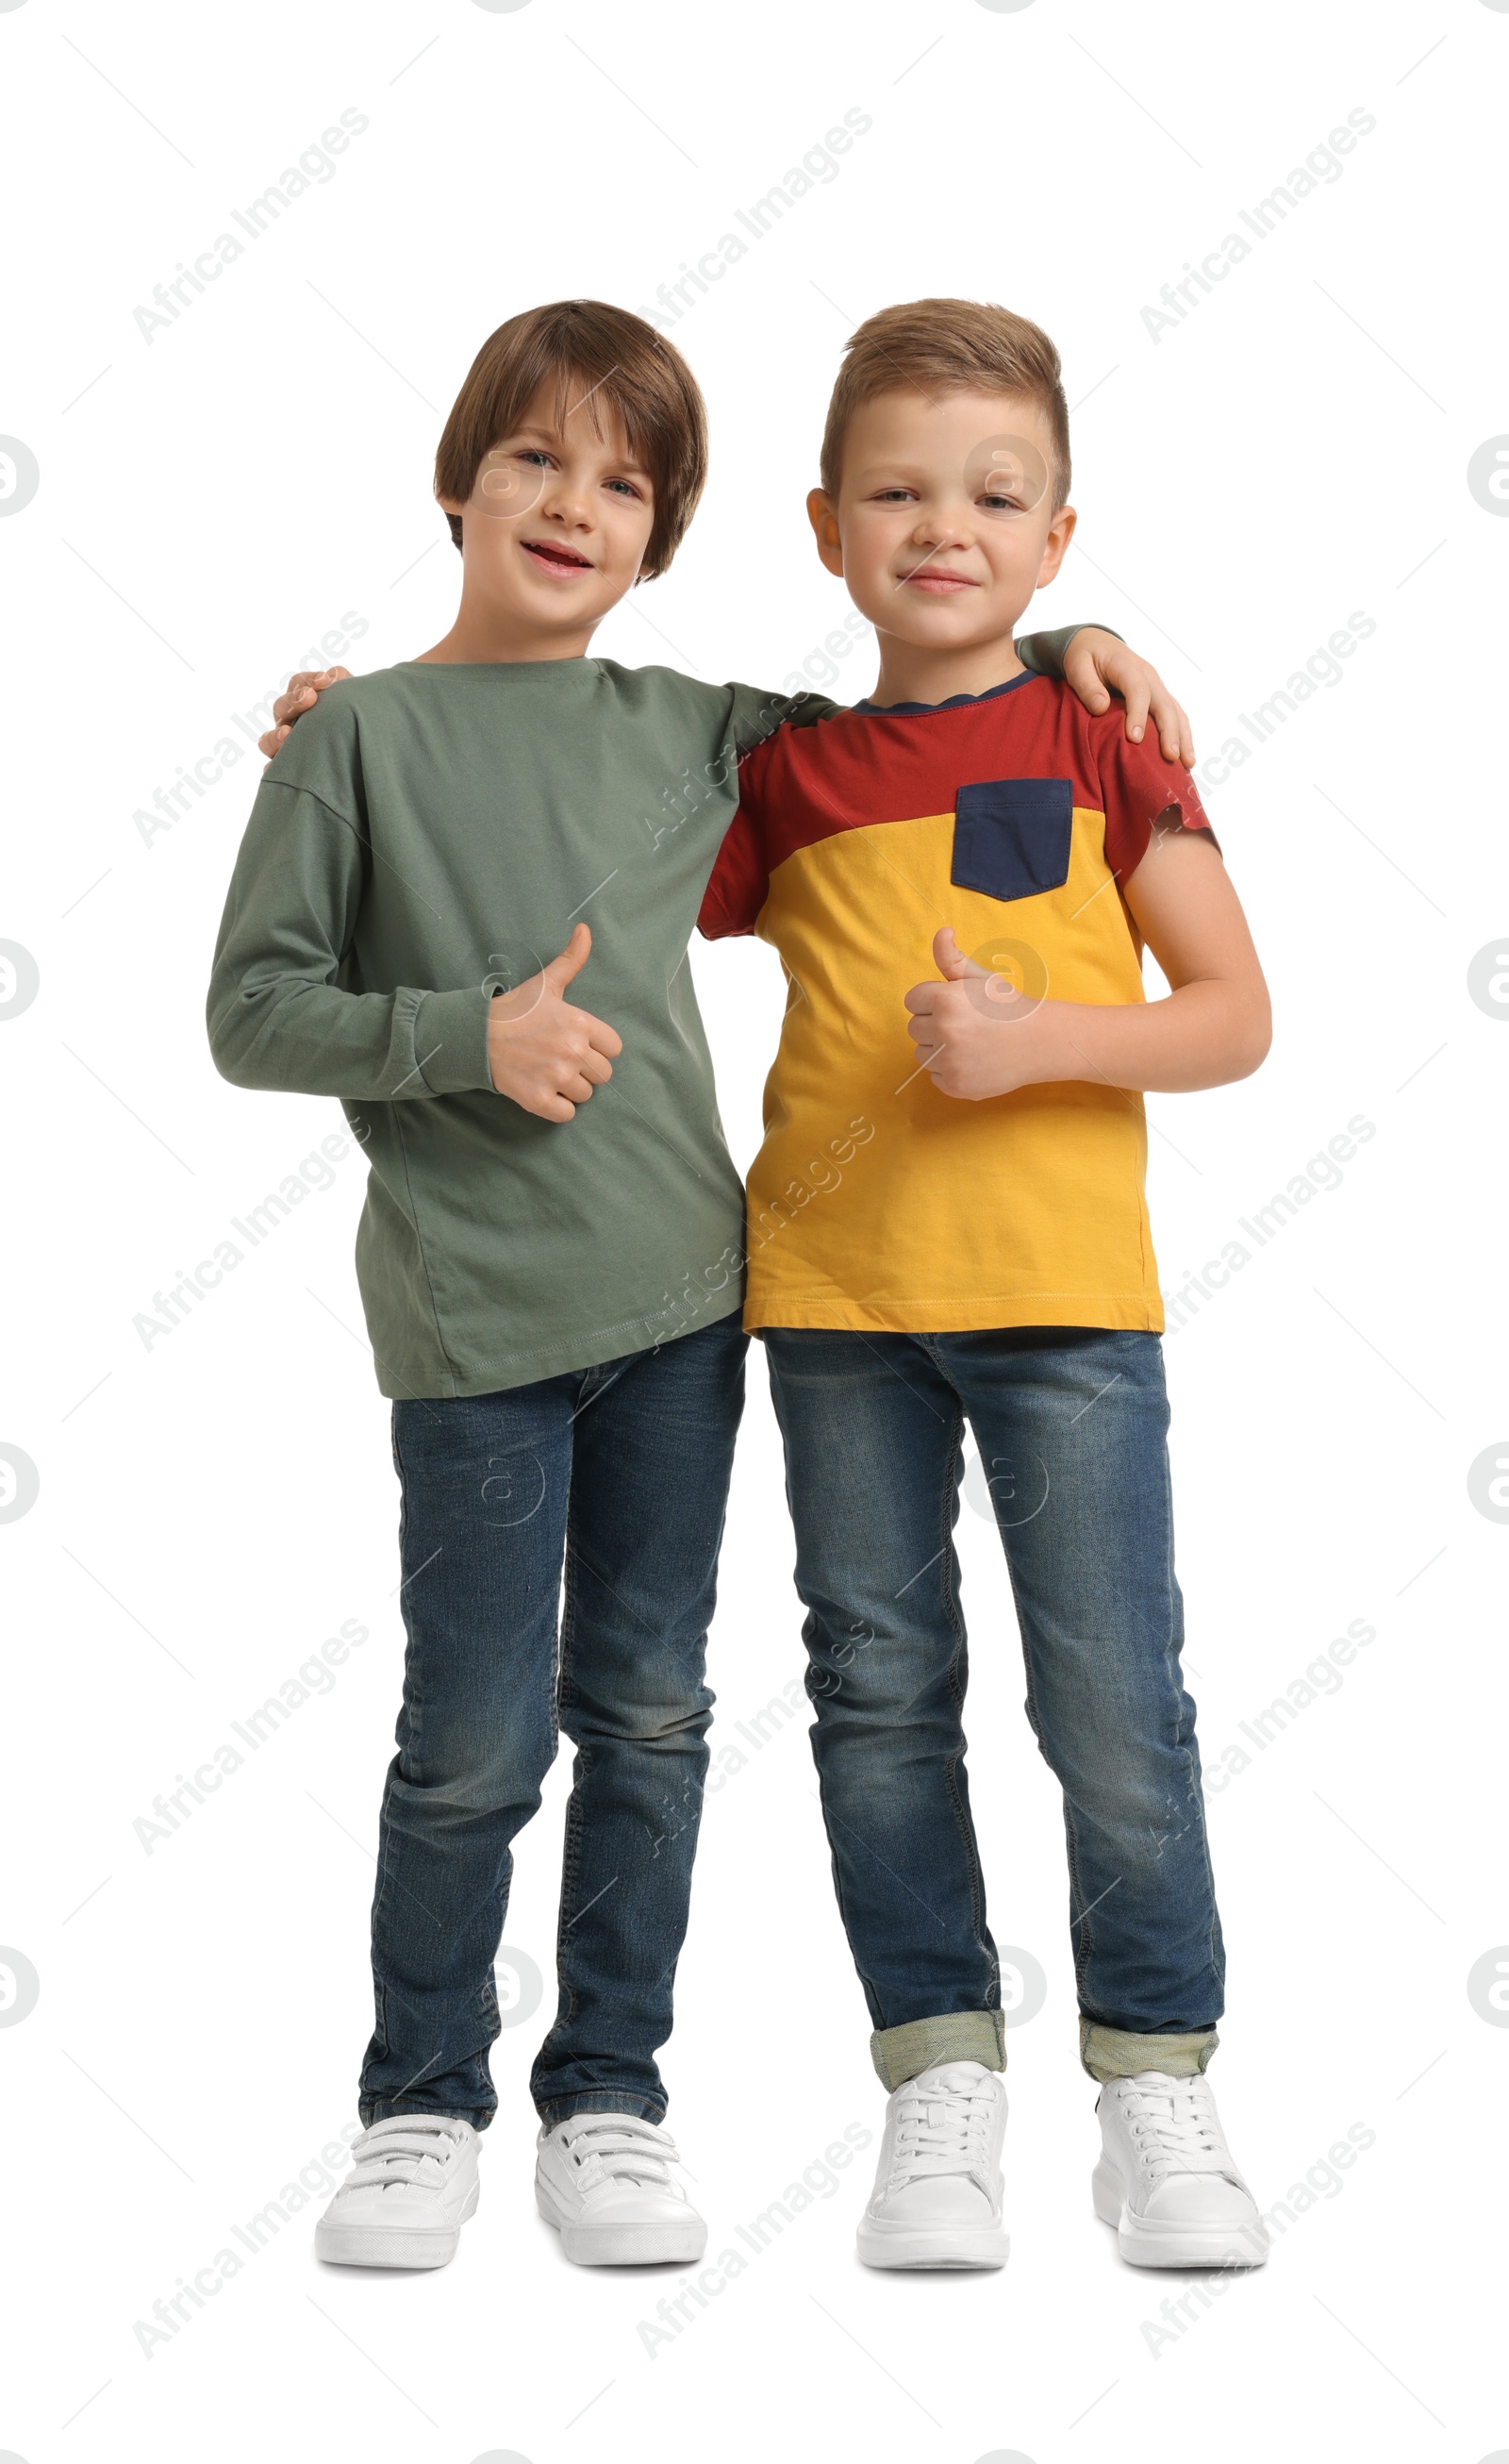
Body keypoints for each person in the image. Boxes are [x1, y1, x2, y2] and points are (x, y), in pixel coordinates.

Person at [209, 296, 1183, 2273]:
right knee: (472, 1736)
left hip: (682, 1305)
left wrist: (1090, 653)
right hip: (473, 1322)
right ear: (460, 478)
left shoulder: (706, 736)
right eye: (535, 458)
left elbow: (928, 715)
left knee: (648, 1713)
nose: (572, 502)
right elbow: (250, 1011)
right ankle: (419, 2102)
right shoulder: (361, 738)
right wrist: (458, 1038)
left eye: (625, 481)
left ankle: (607, 2093)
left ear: (667, 535)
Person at [698, 297, 1273, 2273]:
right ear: (823, 524)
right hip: (835, 1306)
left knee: (1114, 1701)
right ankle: (937, 2074)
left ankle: (1150, 2082)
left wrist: (1036, 1047)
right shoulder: (774, 771)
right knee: (876, 1696)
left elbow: (1230, 1016)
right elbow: (555, 806)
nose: (940, 525)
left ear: (1053, 536)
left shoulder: (1098, 731)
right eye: (896, 491)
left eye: (991, 497)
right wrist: (374, 717)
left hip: (1062, 1309)